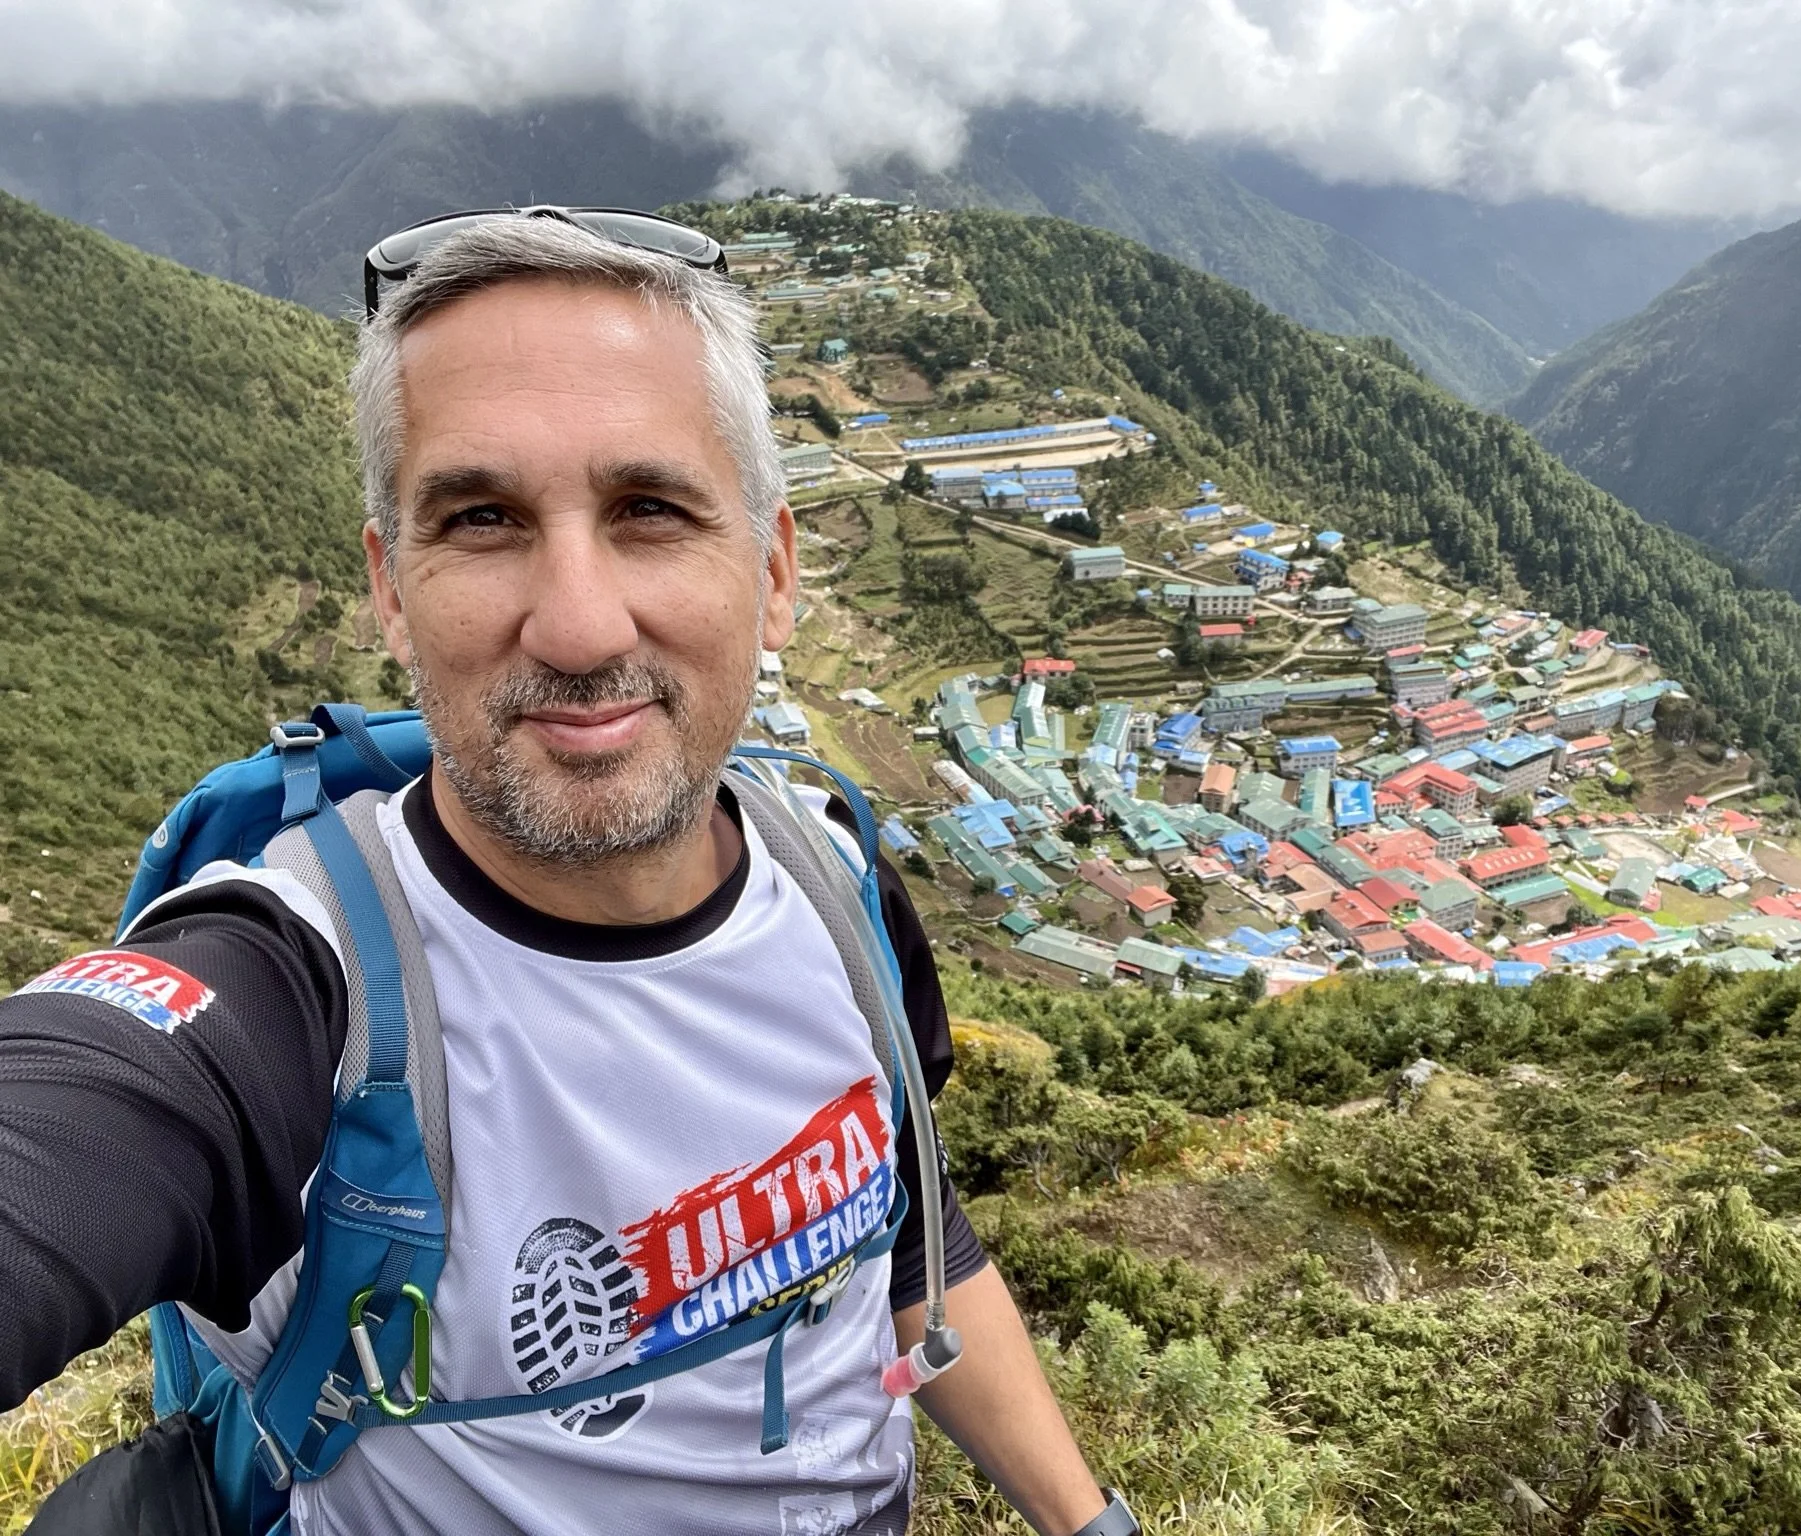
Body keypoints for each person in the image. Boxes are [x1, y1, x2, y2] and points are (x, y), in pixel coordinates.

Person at [0, 207, 1134, 1536]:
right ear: (391, 586)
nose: (582, 625)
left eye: (649, 509)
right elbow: (66, 1131)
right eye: (482, 520)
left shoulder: (833, 887)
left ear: (771, 573)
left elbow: (902, 1237)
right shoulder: (302, 995)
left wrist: (1089, 1522)